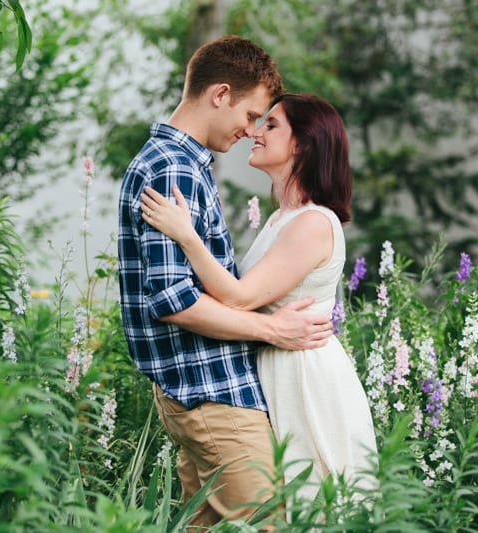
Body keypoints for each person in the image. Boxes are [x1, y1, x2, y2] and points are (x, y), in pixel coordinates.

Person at [117, 36, 334, 527]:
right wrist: (273, 331)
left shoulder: (185, 164)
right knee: (269, 523)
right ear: (220, 95)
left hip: (204, 386)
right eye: (252, 114)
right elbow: (175, 301)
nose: (250, 129)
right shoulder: (174, 167)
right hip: (210, 391)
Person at [141, 93, 378, 503]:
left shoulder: (314, 223)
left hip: (304, 376)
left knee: (312, 500)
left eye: (271, 125)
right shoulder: (282, 218)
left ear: (302, 144)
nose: (255, 131)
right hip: (276, 363)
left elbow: (237, 297)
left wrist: (185, 235)